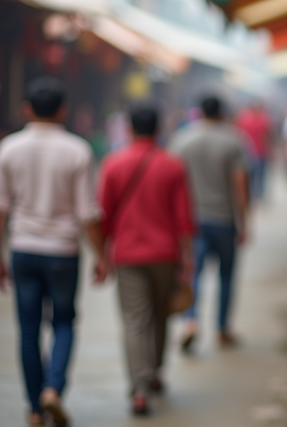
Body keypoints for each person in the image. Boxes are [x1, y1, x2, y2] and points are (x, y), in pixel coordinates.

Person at [0, 77, 108, 427]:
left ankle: (34, 408)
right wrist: (102, 254)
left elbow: (1, 209)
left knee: (28, 328)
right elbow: (86, 212)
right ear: (63, 109)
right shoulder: (77, 150)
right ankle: (53, 389)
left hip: (23, 249)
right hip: (63, 251)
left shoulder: (9, 149)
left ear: (26, 109)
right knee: (63, 322)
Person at [98, 104, 195, 415]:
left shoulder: (113, 164)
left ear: (128, 129)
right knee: (160, 314)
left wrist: (102, 253)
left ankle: (139, 389)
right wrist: (188, 257)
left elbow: (103, 215)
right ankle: (154, 372)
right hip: (165, 254)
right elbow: (184, 219)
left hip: (127, 255)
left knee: (135, 321)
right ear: (158, 130)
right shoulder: (172, 165)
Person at [169, 96, 250, 352]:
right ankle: (222, 328)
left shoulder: (182, 139)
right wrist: (244, 221)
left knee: (193, 273)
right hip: (224, 219)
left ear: (199, 112)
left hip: (192, 221)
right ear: (222, 113)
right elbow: (240, 183)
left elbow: (171, 181)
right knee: (226, 275)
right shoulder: (233, 139)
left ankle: (191, 321)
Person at [236, 100, 273, 202]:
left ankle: (251, 195)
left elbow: (238, 135)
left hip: (248, 152)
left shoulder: (243, 119)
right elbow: (268, 137)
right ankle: (260, 195)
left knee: (250, 176)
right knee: (261, 176)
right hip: (261, 152)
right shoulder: (265, 119)